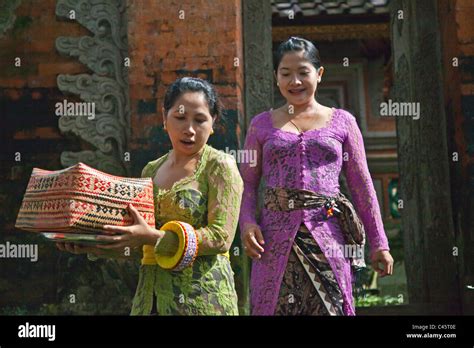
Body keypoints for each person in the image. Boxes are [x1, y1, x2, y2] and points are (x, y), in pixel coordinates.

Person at [57, 77, 243, 315]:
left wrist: (154, 236)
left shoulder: (220, 166)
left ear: (213, 122)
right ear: (164, 117)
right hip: (149, 299)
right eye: (180, 117)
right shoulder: (151, 170)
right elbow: (139, 246)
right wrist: (93, 245)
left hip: (202, 299)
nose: (189, 129)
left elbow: (220, 238)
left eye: (200, 120)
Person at [239, 37, 394, 316]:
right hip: (273, 242)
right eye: (285, 73)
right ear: (276, 77)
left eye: (303, 72)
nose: (294, 81)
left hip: (329, 237)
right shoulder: (260, 124)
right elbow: (248, 183)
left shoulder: (343, 121)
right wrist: (248, 223)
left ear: (319, 74)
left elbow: (362, 184)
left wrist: (379, 244)